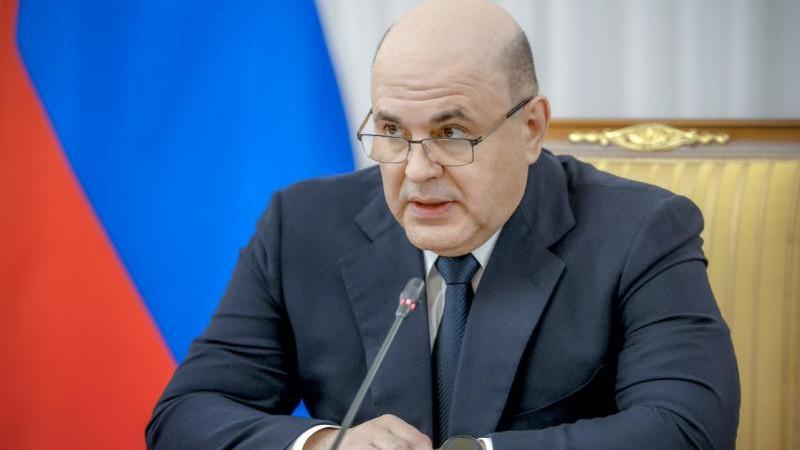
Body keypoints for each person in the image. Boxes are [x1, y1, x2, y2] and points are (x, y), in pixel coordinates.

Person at [146, 0, 740, 449]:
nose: (417, 171)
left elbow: (686, 428)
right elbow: (185, 415)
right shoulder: (301, 226)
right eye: (392, 131)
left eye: (452, 134)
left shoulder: (640, 231)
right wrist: (328, 443)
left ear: (531, 128)